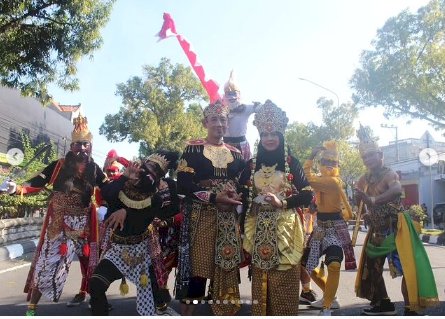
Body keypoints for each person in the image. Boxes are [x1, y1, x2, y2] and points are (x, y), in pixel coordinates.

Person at [8, 114, 108, 316]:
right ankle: (32, 308)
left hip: (85, 222)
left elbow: (108, 189)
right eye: (78, 145)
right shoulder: (59, 165)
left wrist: (105, 205)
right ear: (71, 146)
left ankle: (90, 295)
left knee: (90, 261)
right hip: (59, 222)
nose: (81, 149)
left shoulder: (95, 169)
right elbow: (36, 184)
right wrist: (16, 188)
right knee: (47, 262)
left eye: (85, 145)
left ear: (90, 147)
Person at [354, 125, 439, 316]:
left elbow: (395, 190)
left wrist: (373, 200)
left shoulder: (390, 174)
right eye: (364, 157)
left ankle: (411, 308)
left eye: (371, 155)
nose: (367, 160)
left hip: (396, 230)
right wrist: (365, 210)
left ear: (380, 154)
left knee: (407, 269)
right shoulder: (363, 178)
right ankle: (384, 303)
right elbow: (360, 199)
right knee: (372, 269)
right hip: (377, 231)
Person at [239, 100, 313, 315]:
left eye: (274, 134)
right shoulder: (251, 164)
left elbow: (308, 194)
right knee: (262, 276)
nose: (269, 139)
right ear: (260, 137)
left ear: (281, 136)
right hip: (259, 227)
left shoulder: (291, 161)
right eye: (265, 135)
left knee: (285, 273)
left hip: (285, 228)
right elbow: (242, 192)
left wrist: (283, 203)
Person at [175, 99, 246, 316]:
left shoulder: (236, 153)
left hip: (228, 218)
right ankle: (191, 309)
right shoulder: (193, 149)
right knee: (199, 266)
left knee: (225, 264)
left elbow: (244, 183)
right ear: (206, 122)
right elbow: (183, 184)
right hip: (202, 215)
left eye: (223, 120)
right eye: (214, 119)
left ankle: (220, 308)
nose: (219, 124)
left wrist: (238, 194)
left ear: (227, 124)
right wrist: (214, 197)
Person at [89, 150, 180, 316]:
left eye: (154, 170)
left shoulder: (155, 198)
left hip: (141, 253)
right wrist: (124, 177)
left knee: (154, 298)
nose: (147, 170)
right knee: (96, 284)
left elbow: (142, 220)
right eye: (147, 165)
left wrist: (125, 212)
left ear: (158, 177)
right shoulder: (123, 184)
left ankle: (160, 306)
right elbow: (107, 194)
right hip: (117, 251)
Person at [302, 141, 357, 315]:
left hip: (335, 227)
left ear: (338, 165)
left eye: (333, 163)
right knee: (304, 263)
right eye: (325, 162)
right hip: (320, 227)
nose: (329, 165)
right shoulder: (324, 181)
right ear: (321, 164)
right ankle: (330, 297)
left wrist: (311, 156)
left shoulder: (331, 181)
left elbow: (308, 178)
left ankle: (327, 307)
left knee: (333, 264)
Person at [222, 70, 259, 161]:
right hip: (224, 146)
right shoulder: (220, 110)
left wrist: (259, 106)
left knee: (244, 171)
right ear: (224, 95)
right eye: (228, 94)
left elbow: (258, 108)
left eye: (233, 93)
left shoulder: (245, 108)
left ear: (239, 94)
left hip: (241, 146)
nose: (231, 97)